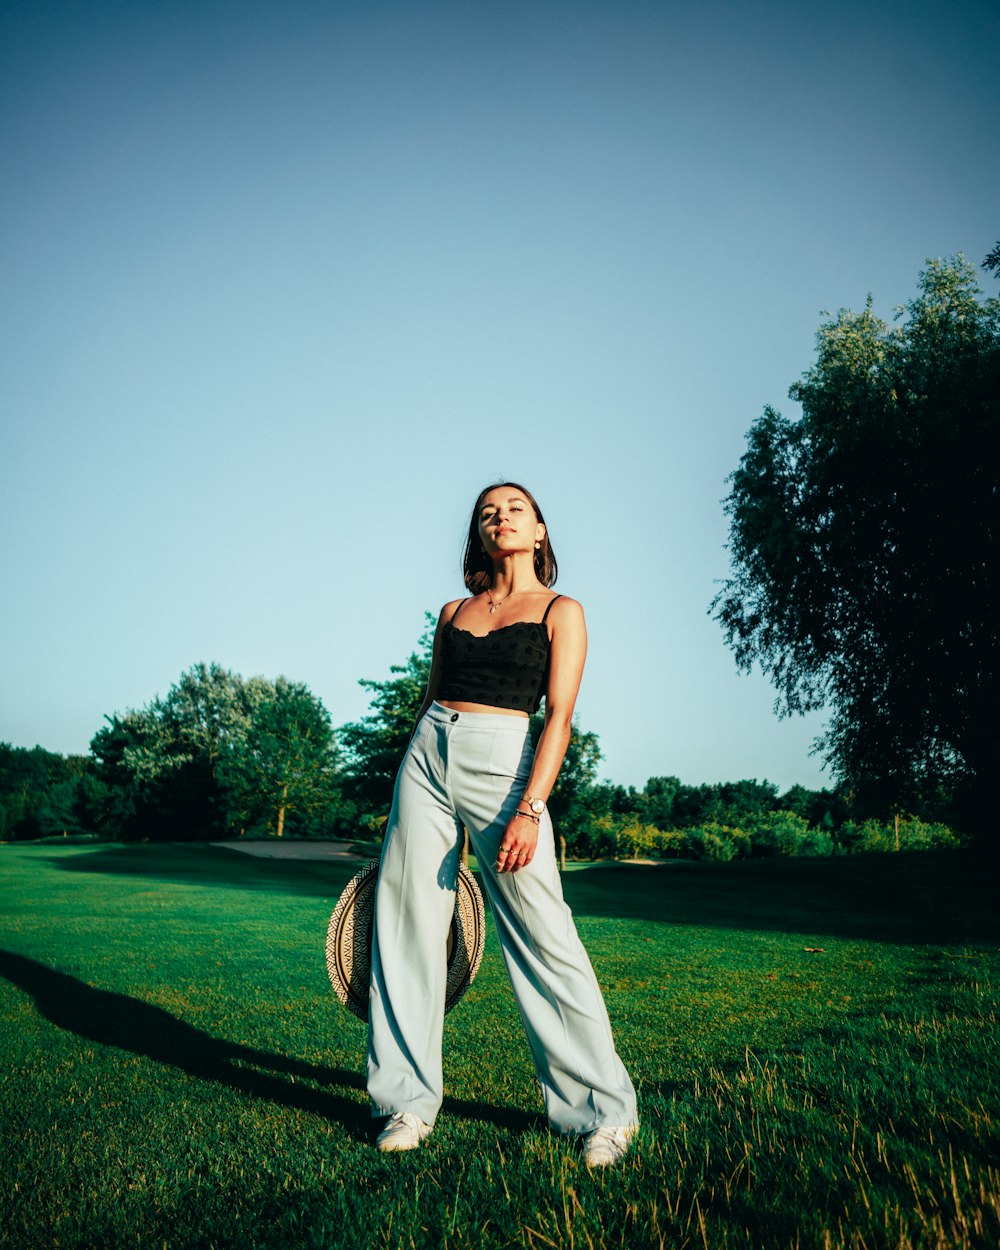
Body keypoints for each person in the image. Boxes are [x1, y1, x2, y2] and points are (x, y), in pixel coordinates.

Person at [366, 481, 638, 1167]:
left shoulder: (560, 610)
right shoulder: (453, 611)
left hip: (507, 764)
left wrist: (531, 808)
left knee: (546, 936)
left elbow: (560, 718)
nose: (501, 517)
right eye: (488, 512)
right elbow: (429, 699)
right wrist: (407, 774)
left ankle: (602, 1115)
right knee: (405, 929)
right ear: (478, 535)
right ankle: (405, 1103)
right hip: (428, 755)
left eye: (516, 508)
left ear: (540, 532)